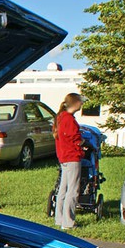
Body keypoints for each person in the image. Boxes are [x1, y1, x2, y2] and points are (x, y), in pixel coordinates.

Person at [53, 93, 85, 230]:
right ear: (76, 103)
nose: (82, 105)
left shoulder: (60, 118)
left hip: (63, 157)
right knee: (73, 190)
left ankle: (59, 219)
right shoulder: (69, 119)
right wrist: (82, 143)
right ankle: (68, 222)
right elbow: (75, 137)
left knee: (63, 189)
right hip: (72, 156)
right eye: (80, 102)